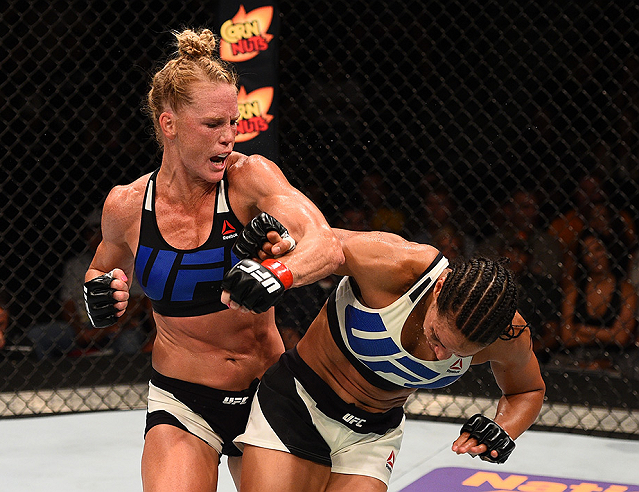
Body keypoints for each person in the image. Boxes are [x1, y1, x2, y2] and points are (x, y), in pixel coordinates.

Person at [82, 29, 343, 492]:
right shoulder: (125, 206)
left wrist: (276, 273)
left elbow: (325, 244)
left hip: (268, 394)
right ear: (169, 124)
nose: (228, 138)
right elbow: (102, 269)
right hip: (183, 400)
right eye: (211, 125)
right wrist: (101, 294)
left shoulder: (250, 179)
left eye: (233, 122)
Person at [234, 229, 545, 492]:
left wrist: (503, 429)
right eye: (438, 337)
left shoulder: (508, 335)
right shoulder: (396, 265)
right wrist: (280, 268)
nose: (441, 355)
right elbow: (321, 242)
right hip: (298, 405)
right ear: (438, 290)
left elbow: (527, 391)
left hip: (372, 435)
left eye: (460, 354)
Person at [28, 211, 152, 359]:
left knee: (129, 342)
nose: (98, 236)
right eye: (92, 231)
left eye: (102, 231)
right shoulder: (75, 265)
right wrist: (79, 330)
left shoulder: (127, 260)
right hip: (83, 326)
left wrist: (107, 328)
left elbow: (138, 300)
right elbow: (67, 304)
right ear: (86, 235)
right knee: (38, 335)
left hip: (119, 326)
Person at [556, 231, 637, 372]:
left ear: (607, 250)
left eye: (597, 249)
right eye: (587, 252)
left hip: (616, 359)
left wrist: (582, 329)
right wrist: (608, 334)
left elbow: (621, 337)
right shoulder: (574, 290)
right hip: (578, 357)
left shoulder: (626, 290)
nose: (593, 257)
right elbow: (567, 337)